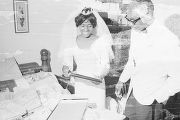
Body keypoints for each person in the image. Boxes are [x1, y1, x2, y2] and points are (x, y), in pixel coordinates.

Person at [58, 7, 127, 120]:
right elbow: (67, 62)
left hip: (96, 82)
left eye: (89, 25)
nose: (86, 28)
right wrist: (66, 68)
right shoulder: (72, 41)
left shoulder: (101, 41)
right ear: (78, 25)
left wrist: (98, 76)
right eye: (83, 25)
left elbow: (105, 64)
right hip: (80, 82)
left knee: (97, 112)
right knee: (83, 112)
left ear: (94, 26)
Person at [115, 0, 180, 120]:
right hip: (132, 94)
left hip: (150, 100)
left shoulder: (167, 39)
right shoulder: (136, 31)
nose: (130, 25)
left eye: (133, 20)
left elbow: (177, 78)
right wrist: (122, 80)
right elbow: (132, 60)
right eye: (128, 19)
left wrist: (159, 97)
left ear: (147, 13)